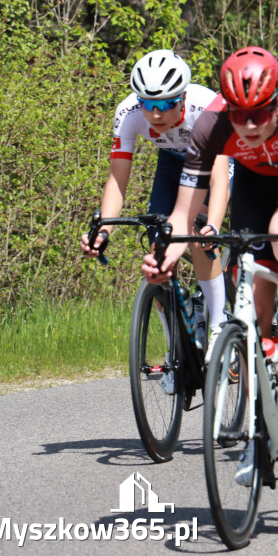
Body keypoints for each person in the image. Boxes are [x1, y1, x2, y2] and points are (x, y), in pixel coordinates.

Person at [141, 46, 278, 411]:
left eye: (260, 113)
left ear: (277, 105)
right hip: (254, 183)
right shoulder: (212, 122)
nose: (249, 125)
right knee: (255, 305)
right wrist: (166, 257)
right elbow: (183, 213)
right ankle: (259, 424)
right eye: (239, 114)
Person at [81, 49, 230, 364]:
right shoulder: (127, 113)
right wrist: (103, 229)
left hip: (214, 163)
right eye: (148, 105)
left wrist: (212, 225)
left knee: (196, 235)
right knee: (159, 241)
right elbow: (117, 181)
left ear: (183, 97)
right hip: (173, 161)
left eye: (165, 104)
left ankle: (218, 326)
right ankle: (174, 346)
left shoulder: (207, 109)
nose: (156, 114)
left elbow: (218, 179)